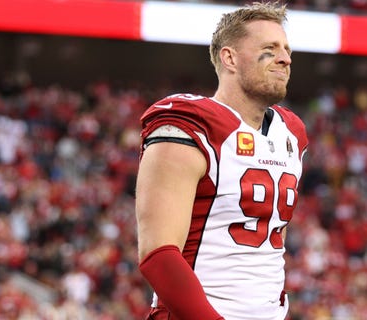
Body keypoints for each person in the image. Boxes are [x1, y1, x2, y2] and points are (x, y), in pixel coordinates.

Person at [134, 2, 308, 319]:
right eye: (270, 49)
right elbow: (157, 255)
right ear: (229, 58)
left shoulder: (291, 134)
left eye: (286, 49)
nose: (286, 58)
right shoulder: (189, 126)